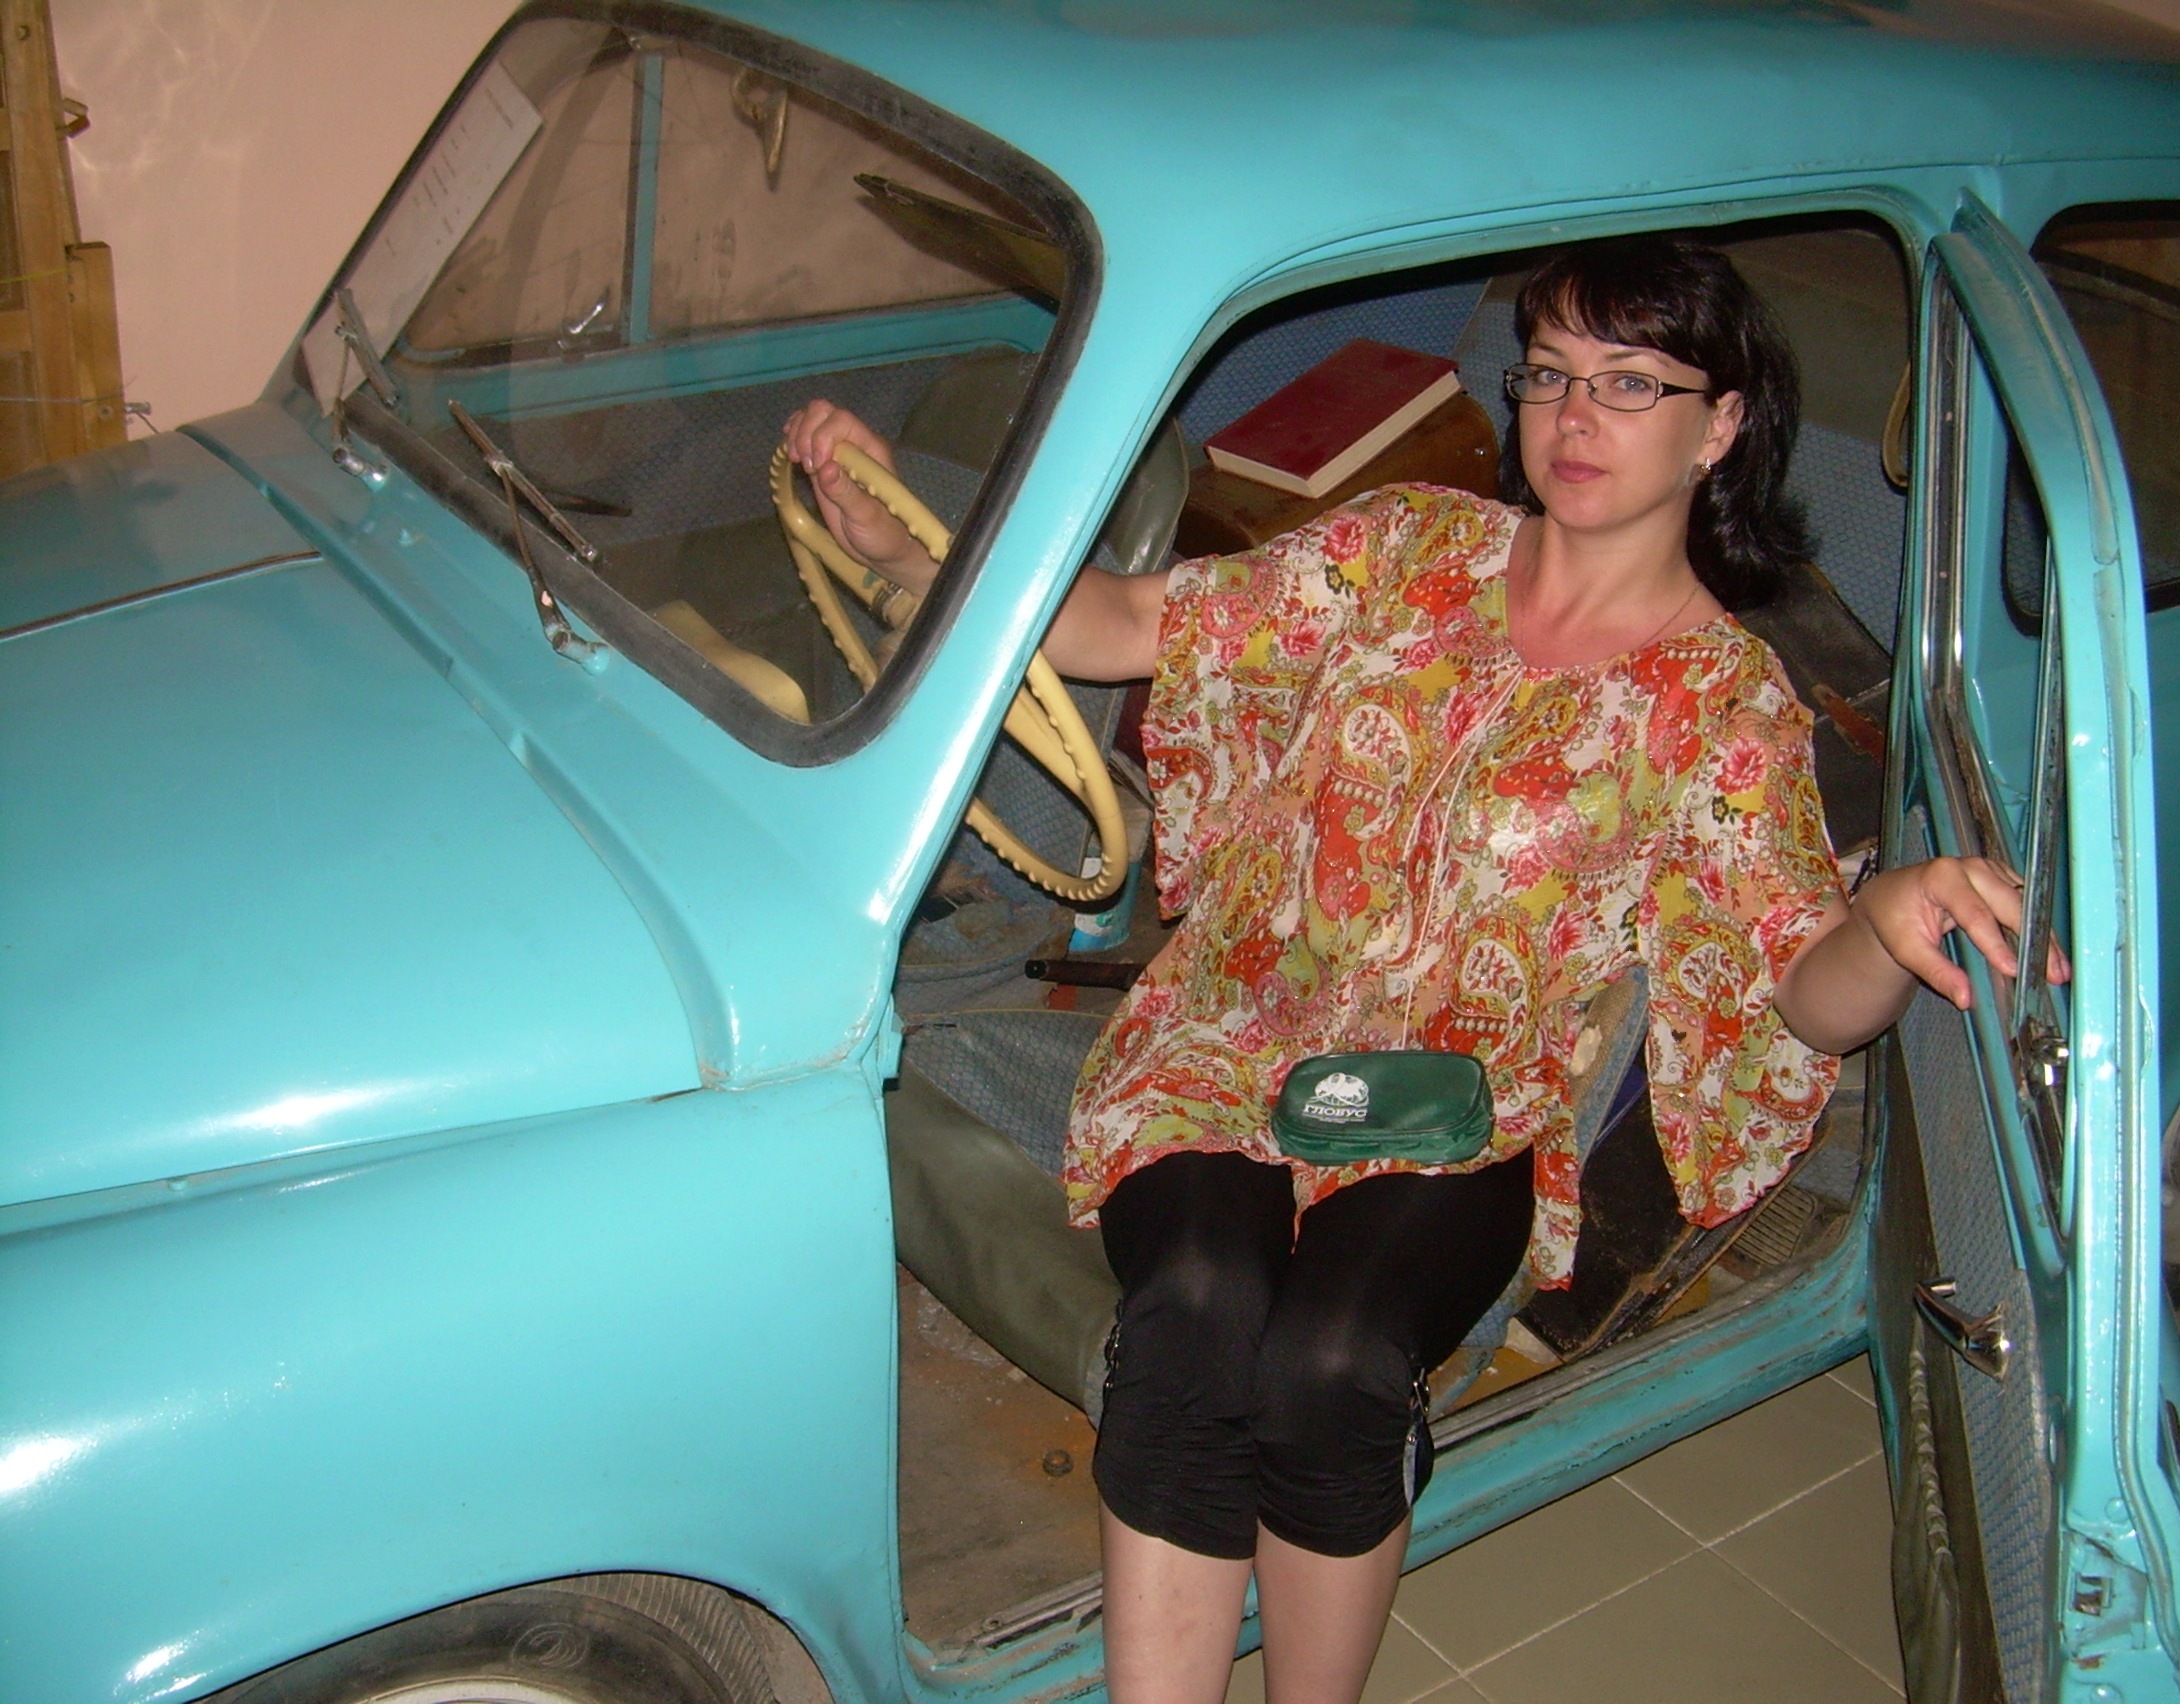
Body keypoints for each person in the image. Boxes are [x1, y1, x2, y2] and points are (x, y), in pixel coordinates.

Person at [780, 233, 2054, 1704]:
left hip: (1457, 1105)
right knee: (1194, 1311)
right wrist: (909, 546)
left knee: (1331, 1368)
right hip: (1228, 1031)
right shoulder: (1403, 548)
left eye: (1631, 383)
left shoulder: (1721, 705)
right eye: (1551, 375)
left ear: (1722, 426)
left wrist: (1883, 923)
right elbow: (1131, 625)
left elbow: (1800, 996)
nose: (1574, 416)